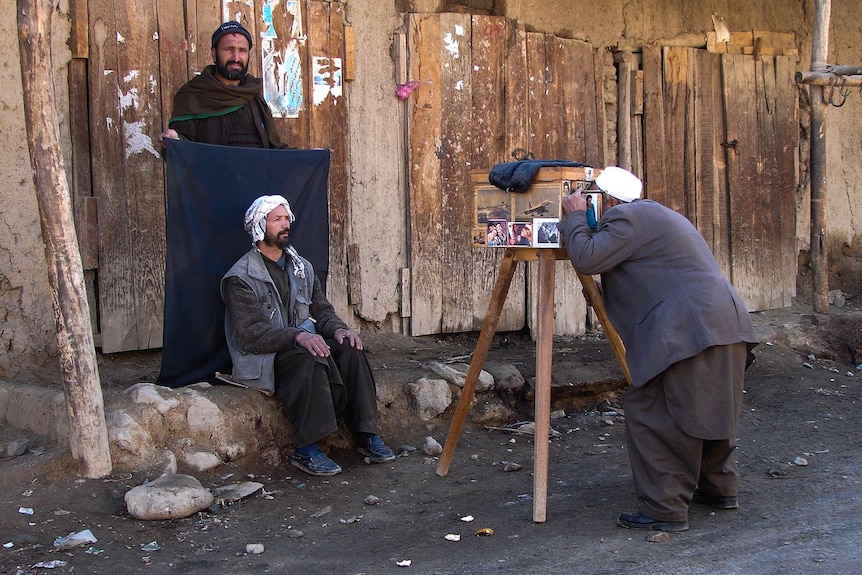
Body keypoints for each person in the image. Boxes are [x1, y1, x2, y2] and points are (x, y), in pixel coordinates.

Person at [558, 166, 758, 532]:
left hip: (691, 328)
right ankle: (718, 488)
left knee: (657, 411)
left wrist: (573, 219)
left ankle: (665, 508)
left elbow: (586, 257)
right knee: (708, 404)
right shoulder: (657, 217)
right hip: (722, 322)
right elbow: (655, 277)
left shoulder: (627, 216)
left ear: (607, 200)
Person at [221, 195, 395, 476]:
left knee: (349, 348)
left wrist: (339, 329)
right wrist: (297, 337)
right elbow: (250, 335)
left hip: (300, 343)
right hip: (265, 357)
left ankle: (366, 434)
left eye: (287, 218)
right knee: (307, 355)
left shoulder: (302, 267)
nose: (285, 224)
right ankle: (307, 449)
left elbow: (322, 312)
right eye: (277, 219)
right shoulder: (241, 277)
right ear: (258, 226)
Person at [159, 21, 288, 148]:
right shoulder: (193, 96)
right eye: (229, 49)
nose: (236, 58)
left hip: (256, 170)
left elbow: (274, 149)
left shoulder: (253, 94)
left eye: (242, 51)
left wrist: (306, 160)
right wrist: (175, 139)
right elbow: (183, 149)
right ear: (214, 54)